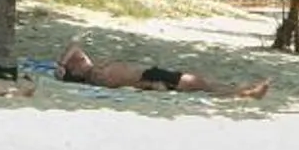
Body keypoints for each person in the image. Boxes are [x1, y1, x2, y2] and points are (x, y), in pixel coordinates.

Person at [57, 43, 270, 99]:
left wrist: (61, 63)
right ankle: (245, 93)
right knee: (200, 84)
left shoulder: (95, 70)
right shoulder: (98, 76)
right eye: (77, 64)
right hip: (150, 76)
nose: (82, 60)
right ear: (76, 73)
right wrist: (150, 85)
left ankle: (243, 91)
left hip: (150, 74)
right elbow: (128, 83)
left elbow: (75, 47)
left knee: (200, 83)